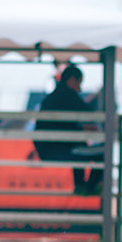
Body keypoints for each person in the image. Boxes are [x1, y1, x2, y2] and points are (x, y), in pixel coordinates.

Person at [34, 65, 104, 195]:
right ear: (72, 80)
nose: (80, 88)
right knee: (103, 152)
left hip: (48, 148)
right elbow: (87, 111)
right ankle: (88, 188)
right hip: (60, 149)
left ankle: (80, 186)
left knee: (81, 146)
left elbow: (60, 125)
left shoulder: (53, 96)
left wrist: (80, 127)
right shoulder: (68, 95)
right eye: (79, 83)